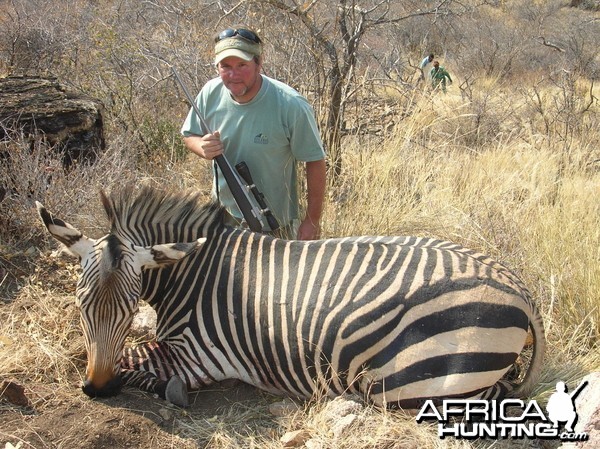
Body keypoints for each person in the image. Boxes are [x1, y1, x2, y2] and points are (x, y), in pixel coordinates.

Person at [181, 27, 327, 240]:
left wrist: (312, 221)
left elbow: (314, 161)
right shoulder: (210, 93)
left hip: (275, 223)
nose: (233, 75)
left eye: (242, 65)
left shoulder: (290, 104)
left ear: (259, 63)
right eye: (225, 66)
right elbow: (189, 135)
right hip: (223, 219)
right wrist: (202, 148)